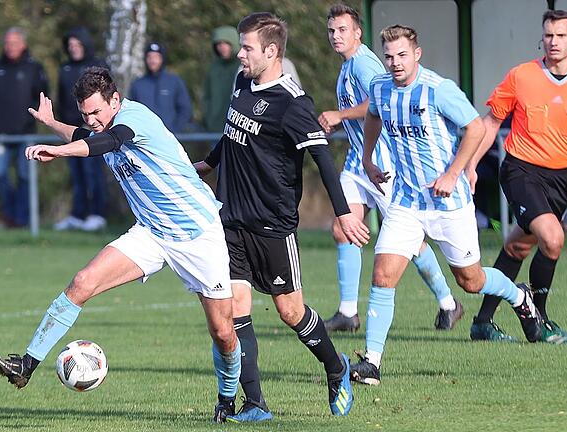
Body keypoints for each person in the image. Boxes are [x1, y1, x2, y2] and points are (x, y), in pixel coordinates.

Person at [0, 68, 241, 423]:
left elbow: (105, 142)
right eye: (85, 114)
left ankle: (227, 399)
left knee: (222, 331)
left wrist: (60, 152)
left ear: (115, 102)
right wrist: (52, 124)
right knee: (82, 282)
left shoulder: (133, 118)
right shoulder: (98, 127)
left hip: (198, 233)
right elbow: (85, 134)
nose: (92, 121)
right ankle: (26, 365)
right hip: (152, 233)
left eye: (97, 112)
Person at [194, 12, 369, 422]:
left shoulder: (292, 103)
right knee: (236, 309)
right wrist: (208, 164)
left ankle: (336, 367)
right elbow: (231, 136)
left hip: (272, 224)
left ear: (271, 52)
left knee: (291, 312)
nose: (240, 54)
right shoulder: (242, 83)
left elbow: (323, 157)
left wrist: (343, 214)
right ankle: (256, 404)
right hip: (232, 219)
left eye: (248, 48)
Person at [349, 25, 543, 386]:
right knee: (382, 275)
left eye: (402, 55)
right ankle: (371, 364)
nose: (394, 63)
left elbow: (475, 128)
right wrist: (367, 159)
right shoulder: (379, 87)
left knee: (471, 280)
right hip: (406, 200)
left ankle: (519, 296)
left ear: (417, 54)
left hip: (448, 202)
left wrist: (455, 173)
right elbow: (373, 115)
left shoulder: (438, 89)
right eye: (389, 56)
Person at [317, 4, 461, 333]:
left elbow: (376, 103)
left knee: (409, 240)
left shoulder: (365, 63)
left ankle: (449, 302)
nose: (335, 36)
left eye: (342, 30)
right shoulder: (348, 65)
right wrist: (346, 123)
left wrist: (340, 116)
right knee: (344, 227)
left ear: (357, 33)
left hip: (384, 164)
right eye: (331, 31)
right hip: (359, 160)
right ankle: (348, 312)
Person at [466, 10, 567, 344]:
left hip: (562, 178)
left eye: (560, 35)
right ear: (542, 38)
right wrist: (469, 165)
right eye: (548, 35)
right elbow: (490, 122)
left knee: (517, 246)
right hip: (520, 170)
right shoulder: (522, 76)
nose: (554, 41)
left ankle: (482, 322)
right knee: (553, 238)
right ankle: (539, 321)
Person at [0, 27, 49, 228]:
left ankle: (23, 219)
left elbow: (43, 97)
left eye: (15, 43)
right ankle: (9, 217)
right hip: (0, 135)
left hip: (25, 135)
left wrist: (34, 123)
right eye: (7, 43)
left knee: (25, 176)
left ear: (23, 44)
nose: (11, 47)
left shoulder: (34, 68)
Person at [53, 27, 109, 232]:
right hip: (72, 132)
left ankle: (97, 214)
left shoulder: (97, 66)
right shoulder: (65, 68)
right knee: (76, 176)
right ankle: (77, 215)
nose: (74, 49)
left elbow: (106, 97)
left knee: (93, 173)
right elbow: (61, 99)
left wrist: (92, 122)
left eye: (77, 45)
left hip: (92, 131)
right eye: (70, 46)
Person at [129, 42, 193, 134]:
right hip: (144, 138)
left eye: (156, 57)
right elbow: (132, 111)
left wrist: (174, 130)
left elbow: (185, 109)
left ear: (162, 58)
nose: (152, 60)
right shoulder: (138, 84)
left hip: (170, 137)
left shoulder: (174, 82)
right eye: (149, 57)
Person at [202, 26, 241, 132]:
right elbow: (206, 95)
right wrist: (208, 116)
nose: (222, 47)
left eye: (226, 43)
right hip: (215, 127)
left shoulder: (243, 66)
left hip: (237, 127)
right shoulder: (214, 68)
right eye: (219, 44)